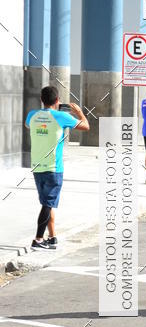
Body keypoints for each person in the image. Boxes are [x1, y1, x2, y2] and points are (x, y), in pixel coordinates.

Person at [25, 85, 90, 250]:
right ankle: (38, 239)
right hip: (54, 168)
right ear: (57, 100)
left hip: (37, 167)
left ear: (42, 100)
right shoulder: (61, 116)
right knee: (48, 203)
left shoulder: (32, 115)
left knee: (47, 202)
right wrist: (79, 112)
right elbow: (86, 126)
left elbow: (28, 126)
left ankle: (52, 237)